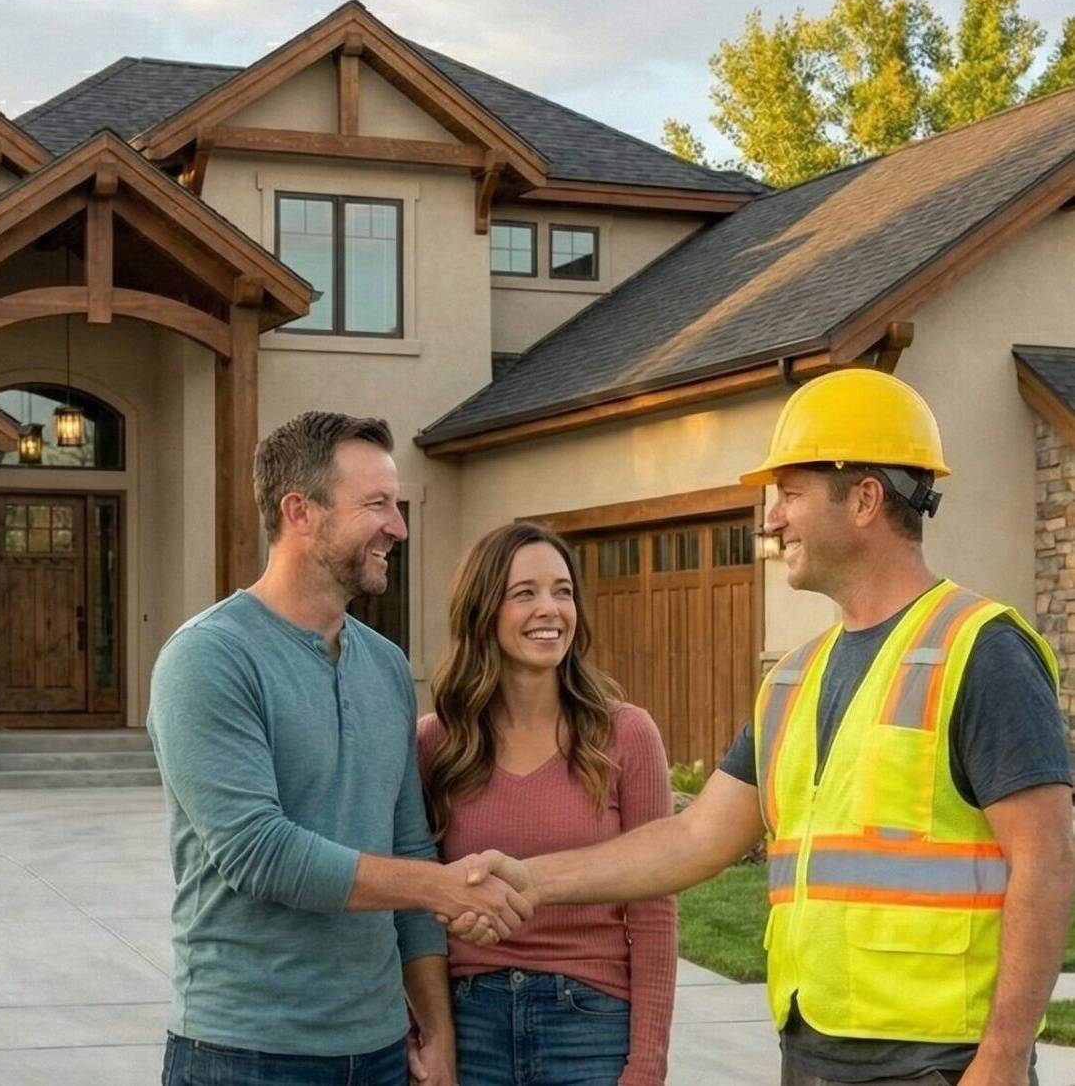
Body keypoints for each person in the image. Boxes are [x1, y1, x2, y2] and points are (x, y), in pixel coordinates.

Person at [455, 370, 1075, 1086]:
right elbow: (692, 839)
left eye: (791, 494)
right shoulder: (793, 679)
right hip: (811, 1049)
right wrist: (525, 880)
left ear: (866, 498)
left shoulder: (981, 650)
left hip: (940, 1059)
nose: (772, 520)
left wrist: (1001, 1058)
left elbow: (1047, 860)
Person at [147, 411, 532, 1086]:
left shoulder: (384, 667)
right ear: (301, 512)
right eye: (377, 505)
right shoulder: (208, 659)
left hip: (380, 1050)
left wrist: (436, 1031)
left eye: (398, 504)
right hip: (243, 1054)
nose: (399, 527)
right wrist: (443, 887)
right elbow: (258, 853)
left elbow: (408, 841)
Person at [418, 523, 676, 1086]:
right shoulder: (435, 745)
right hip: (471, 1024)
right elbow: (414, 906)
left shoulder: (625, 735)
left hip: (590, 1024)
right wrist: (427, 1037)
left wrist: (648, 1061)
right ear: (483, 610)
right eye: (525, 593)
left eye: (563, 591)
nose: (551, 609)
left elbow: (654, 905)